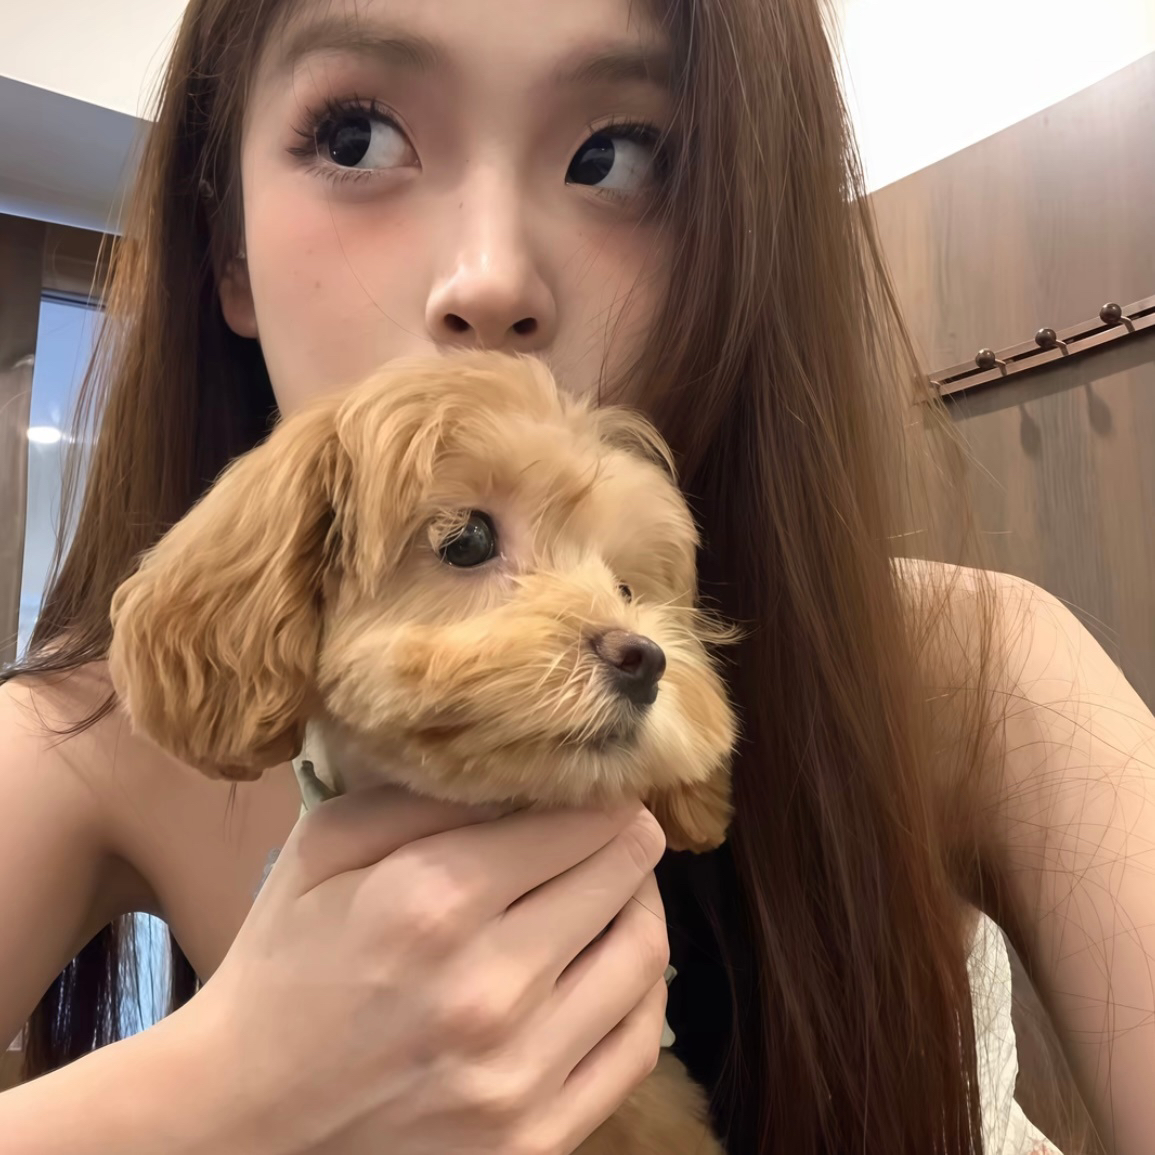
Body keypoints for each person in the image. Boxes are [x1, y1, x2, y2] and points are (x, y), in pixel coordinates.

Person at [1, 0, 1152, 1151]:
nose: (491, 279)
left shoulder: (983, 678)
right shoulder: (78, 742)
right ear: (229, 251)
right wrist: (221, 1087)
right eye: (359, 137)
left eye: (617, 155)